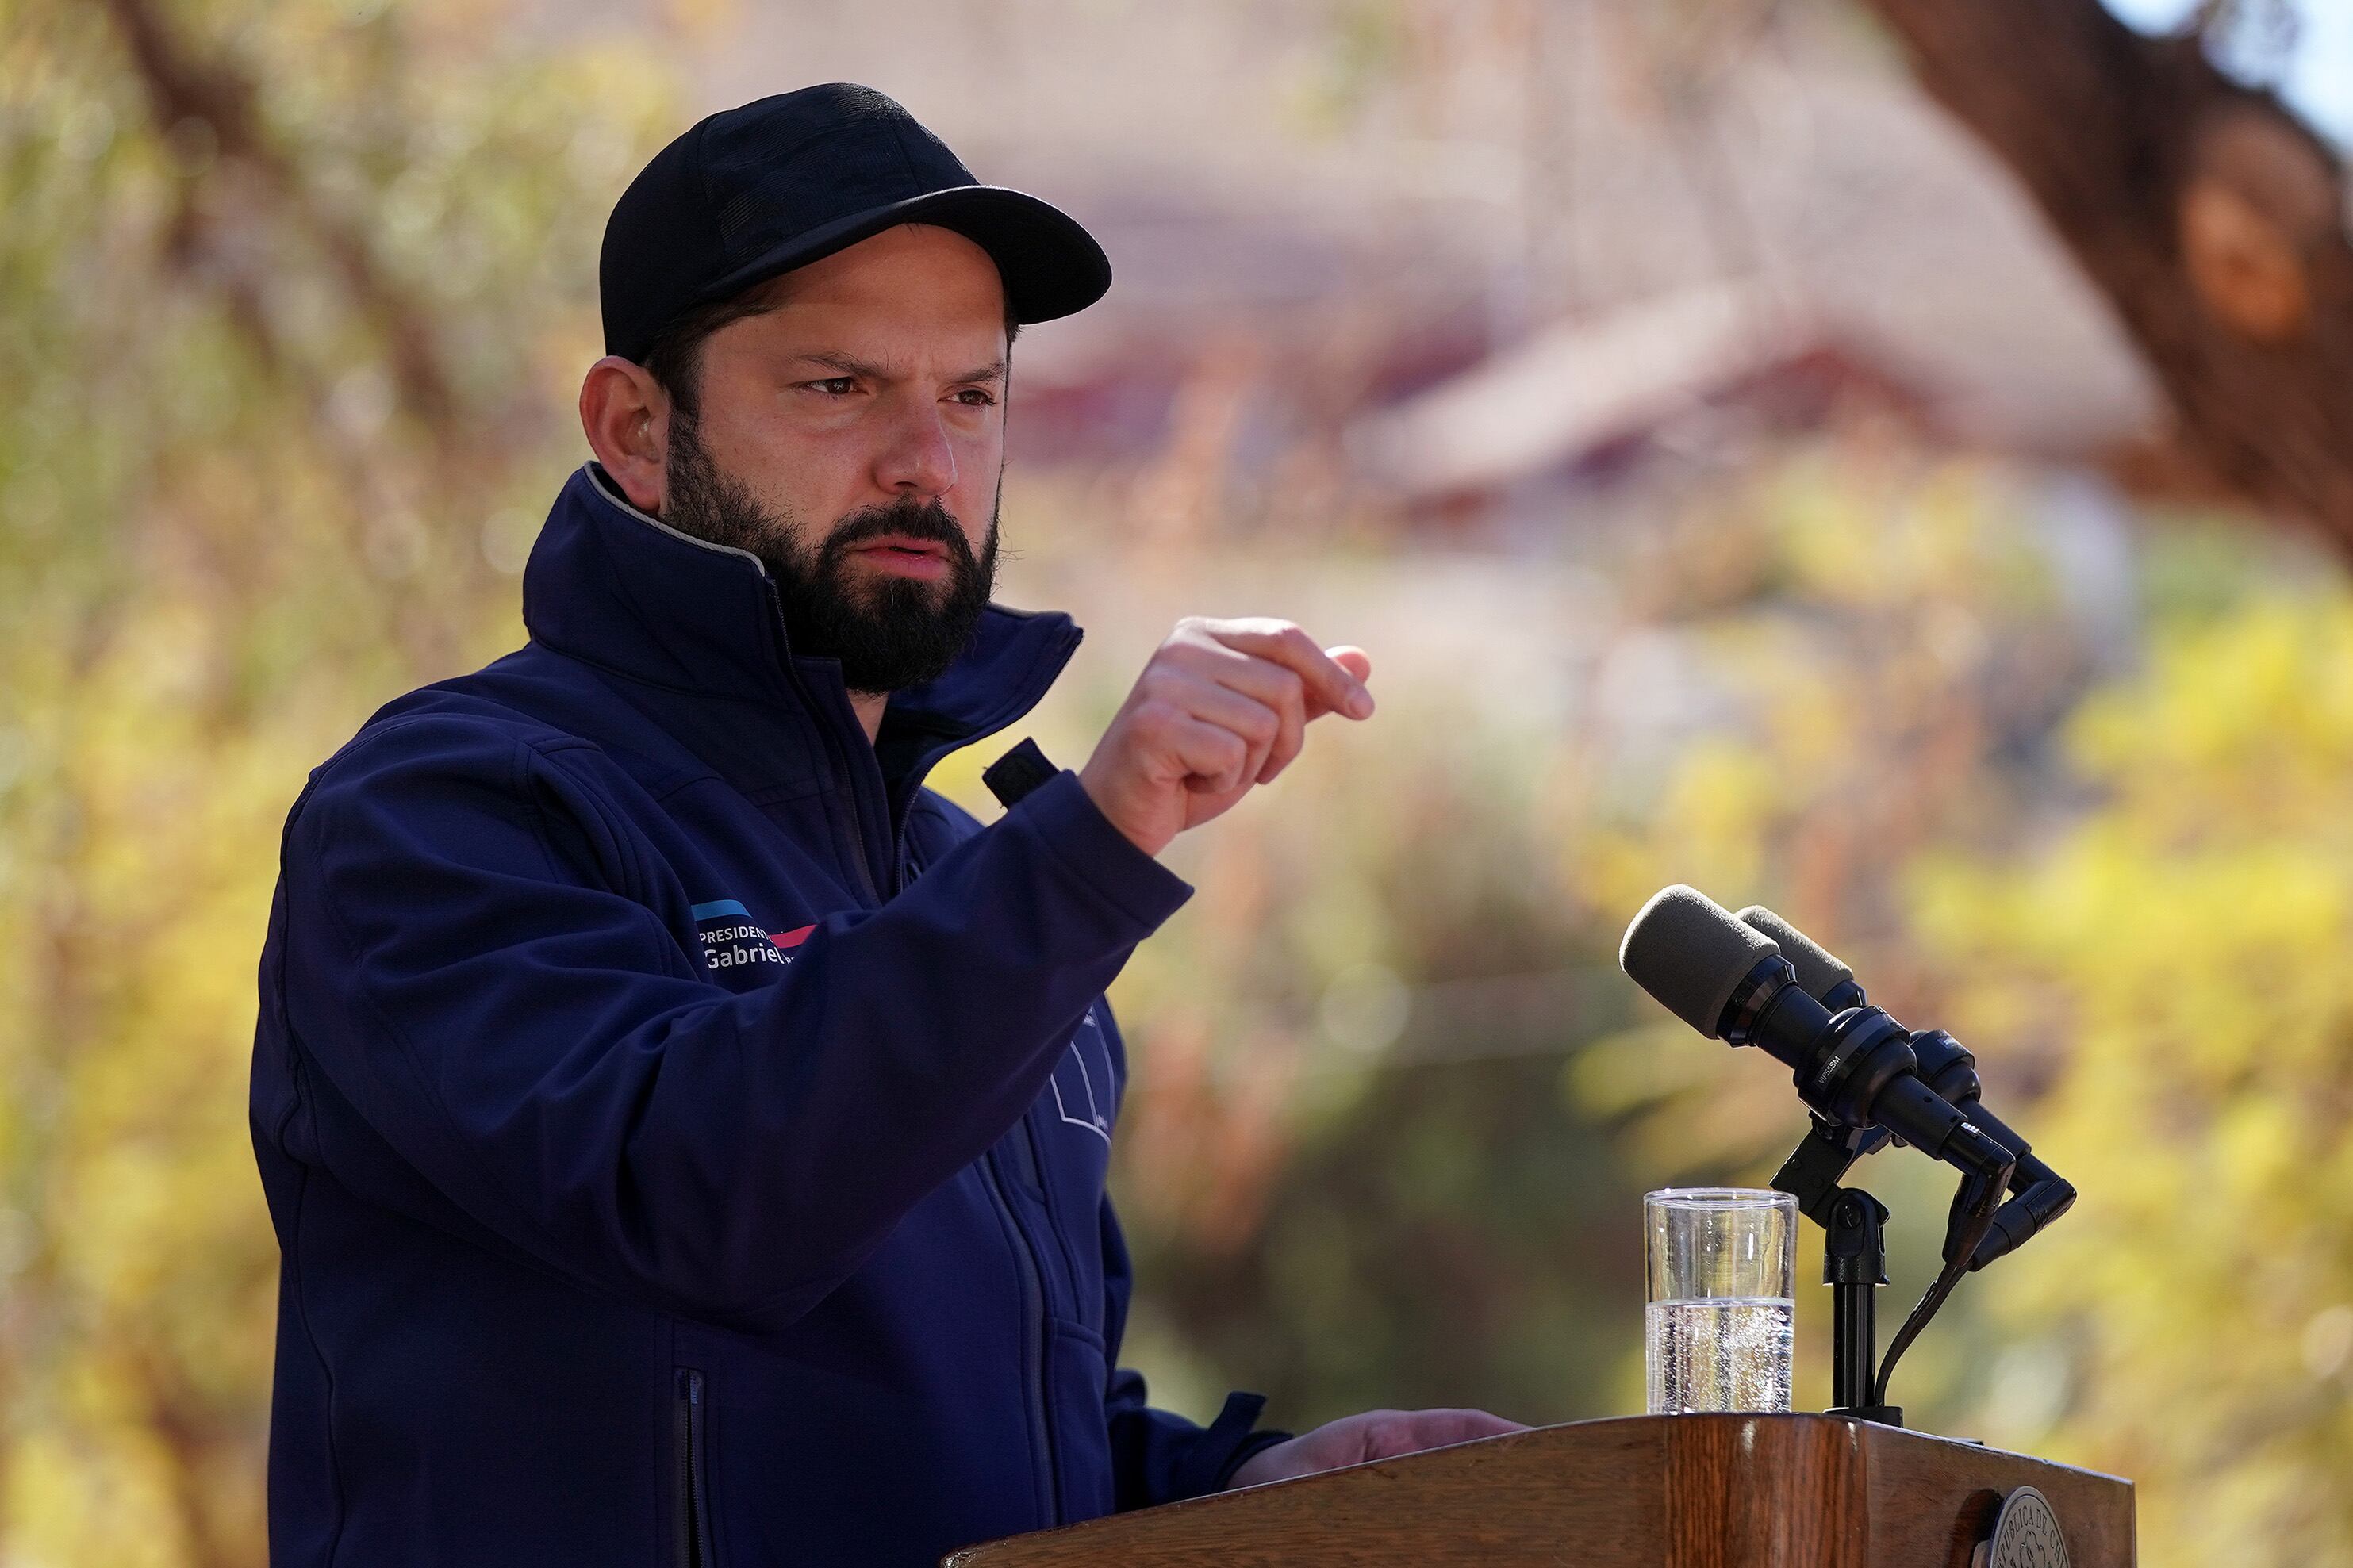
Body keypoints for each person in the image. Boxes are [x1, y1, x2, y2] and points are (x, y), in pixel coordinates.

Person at [250, 82, 1522, 1567]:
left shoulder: (972, 876)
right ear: (635, 428)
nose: (927, 458)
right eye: (838, 386)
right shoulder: (443, 811)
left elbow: (1013, 1436)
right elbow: (702, 1195)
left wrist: (1251, 1485)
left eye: (971, 395)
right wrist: (1087, 847)